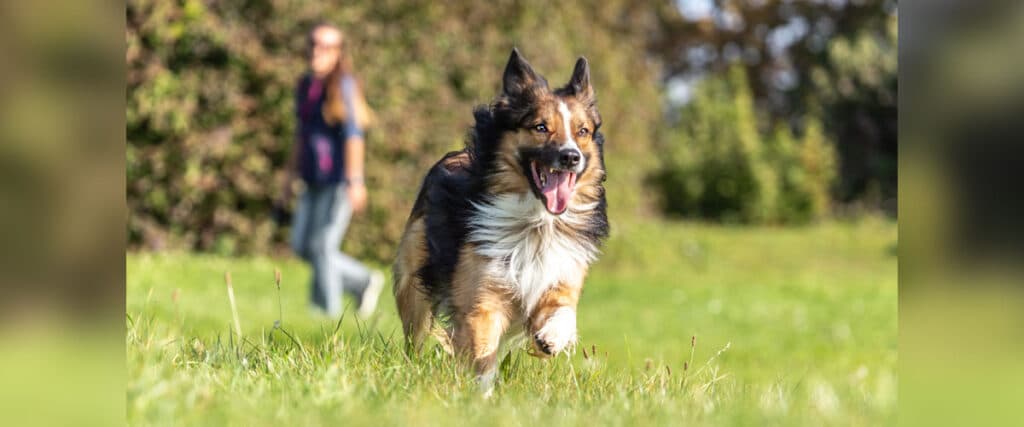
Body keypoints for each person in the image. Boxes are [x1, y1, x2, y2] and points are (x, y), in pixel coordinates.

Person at [282, 23, 383, 318]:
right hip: (311, 178)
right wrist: (288, 176)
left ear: (338, 53)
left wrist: (355, 181)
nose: (317, 51)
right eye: (313, 44)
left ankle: (326, 314)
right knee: (302, 245)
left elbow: (354, 136)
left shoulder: (344, 86)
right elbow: (301, 135)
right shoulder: (305, 86)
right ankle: (362, 280)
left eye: (325, 46)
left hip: (338, 180)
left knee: (323, 246)